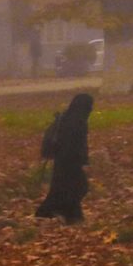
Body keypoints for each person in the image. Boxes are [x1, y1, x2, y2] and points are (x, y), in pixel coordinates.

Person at [35, 93, 93, 223]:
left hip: (62, 161)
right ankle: (61, 213)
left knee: (63, 188)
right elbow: (78, 144)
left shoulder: (67, 118)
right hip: (70, 162)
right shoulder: (78, 122)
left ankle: (68, 214)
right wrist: (83, 161)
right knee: (78, 187)